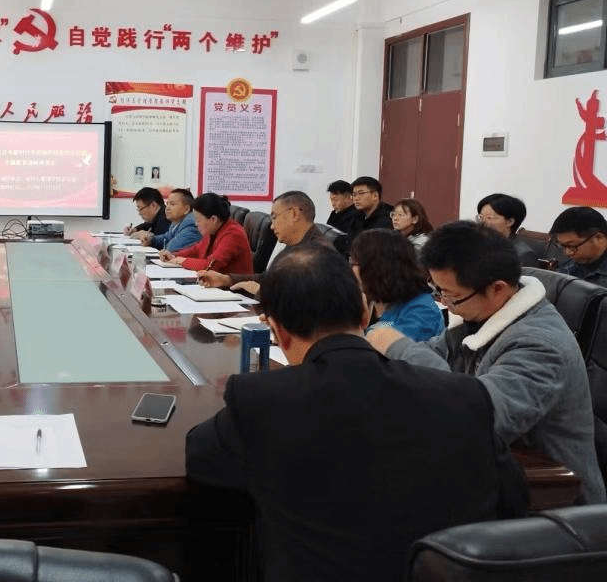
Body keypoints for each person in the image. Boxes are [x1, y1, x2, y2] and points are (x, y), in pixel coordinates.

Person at [186, 244, 528, 582]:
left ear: (278, 331)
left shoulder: (260, 399)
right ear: (364, 313)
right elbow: (513, 500)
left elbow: (200, 457)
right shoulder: (466, 395)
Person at [367, 221, 606, 504]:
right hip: (497, 472)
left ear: (497, 289)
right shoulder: (478, 315)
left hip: (553, 500)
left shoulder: (540, 344)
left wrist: (398, 345)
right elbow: (433, 355)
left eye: (452, 296)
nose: (444, 303)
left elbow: (478, 415)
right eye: (438, 291)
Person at [197, 190, 329, 294]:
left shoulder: (317, 253)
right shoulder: (297, 244)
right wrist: (226, 279)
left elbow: (303, 302)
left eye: (274, 217)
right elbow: (270, 278)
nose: (271, 226)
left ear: (293, 214)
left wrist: (262, 292)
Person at [350, 229, 444, 341]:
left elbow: (389, 347)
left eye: (354, 262)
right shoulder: (377, 301)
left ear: (375, 267)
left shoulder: (422, 311)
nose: (351, 268)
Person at [159, 192, 252, 275]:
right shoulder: (213, 229)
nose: (196, 224)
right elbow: (196, 250)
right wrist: (174, 256)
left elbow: (211, 265)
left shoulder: (233, 234)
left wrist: (183, 261)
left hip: (233, 287)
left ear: (213, 219)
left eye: (198, 220)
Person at [549, 206, 607, 286]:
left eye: (572, 246)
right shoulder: (568, 268)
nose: (568, 253)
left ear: (599, 238)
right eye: (562, 246)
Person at [477, 193, 538, 266]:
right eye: (481, 217)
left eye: (489, 218)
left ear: (510, 222)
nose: (482, 222)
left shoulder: (522, 255)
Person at [135, 187, 200, 252]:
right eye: (167, 204)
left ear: (186, 209)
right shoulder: (175, 223)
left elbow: (171, 248)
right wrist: (151, 240)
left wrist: (156, 244)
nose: (167, 208)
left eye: (172, 204)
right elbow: (166, 238)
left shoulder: (191, 224)